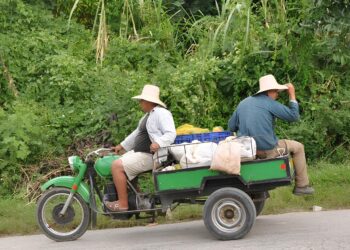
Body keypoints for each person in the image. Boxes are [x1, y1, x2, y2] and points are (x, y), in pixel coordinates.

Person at [228, 74, 314, 195]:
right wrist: (292, 95)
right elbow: (294, 116)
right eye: (276, 92)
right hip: (267, 150)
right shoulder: (269, 103)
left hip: (247, 150)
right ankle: (302, 186)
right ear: (270, 91)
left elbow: (231, 127)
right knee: (298, 147)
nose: (277, 94)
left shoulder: (243, 103)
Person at [105, 84, 176, 211]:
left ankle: (123, 204)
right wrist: (121, 145)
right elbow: (136, 134)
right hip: (141, 153)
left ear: (149, 101)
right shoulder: (147, 116)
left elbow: (171, 133)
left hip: (153, 156)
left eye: (141, 100)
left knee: (116, 166)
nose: (140, 103)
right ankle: (139, 199)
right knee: (117, 161)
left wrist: (158, 143)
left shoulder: (162, 113)